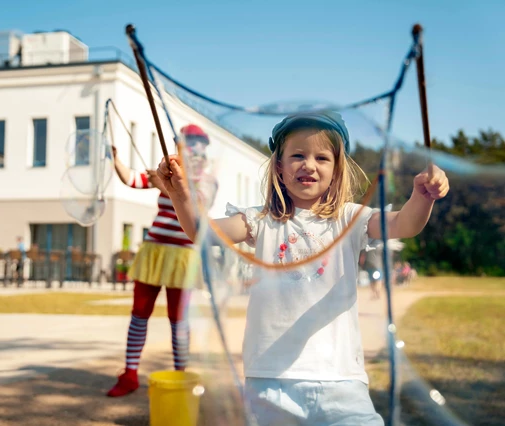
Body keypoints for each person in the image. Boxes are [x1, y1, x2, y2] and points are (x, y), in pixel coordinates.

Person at [158, 111, 449, 425]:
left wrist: (422, 196)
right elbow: (203, 231)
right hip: (270, 381)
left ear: (337, 170)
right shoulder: (260, 220)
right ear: (280, 168)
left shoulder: (351, 218)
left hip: (342, 380)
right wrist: (179, 194)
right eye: (298, 155)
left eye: (322, 157)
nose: (309, 164)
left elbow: (404, 224)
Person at [106, 124, 214, 397]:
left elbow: (196, 202)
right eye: (186, 143)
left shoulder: (205, 178)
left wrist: (164, 186)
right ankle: (129, 373)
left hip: (182, 255)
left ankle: (181, 376)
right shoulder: (168, 171)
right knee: (139, 314)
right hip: (154, 252)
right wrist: (116, 160)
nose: (191, 150)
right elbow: (132, 179)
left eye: (195, 145)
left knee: (179, 320)